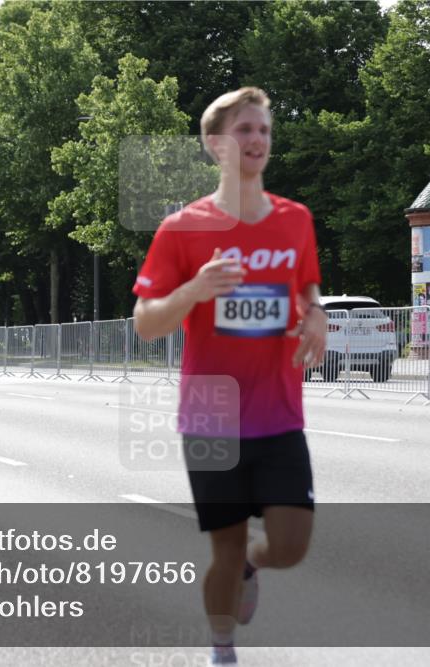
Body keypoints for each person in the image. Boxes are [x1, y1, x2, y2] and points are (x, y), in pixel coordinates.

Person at [131, 87, 327, 666]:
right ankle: (222, 651)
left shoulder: (295, 220)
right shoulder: (182, 228)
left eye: (264, 129)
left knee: (290, 546)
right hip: (211, 415)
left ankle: (252, 565)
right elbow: (146, 323)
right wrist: (195, 290)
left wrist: (317, 314)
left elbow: (307, 287)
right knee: (225, 544)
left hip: (278, 410)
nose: (257, 139)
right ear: (216, 145)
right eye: (245, 130)